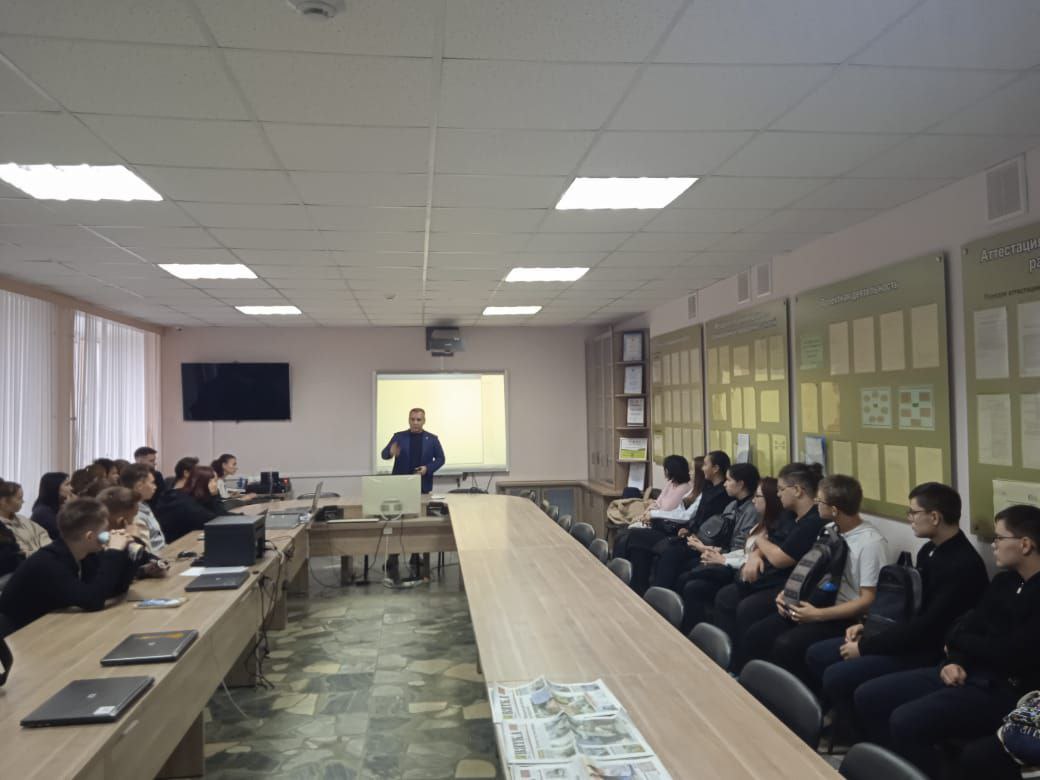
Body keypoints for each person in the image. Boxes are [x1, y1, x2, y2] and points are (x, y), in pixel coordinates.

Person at [853, 504, 1040, 779]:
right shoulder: (1004, 582)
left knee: (906, 720)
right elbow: (965, 625)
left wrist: (960, 642)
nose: (994, 545)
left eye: (999, 538)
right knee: (869, 695)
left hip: (1006, 689)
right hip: (966, 669)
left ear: (1024, 544)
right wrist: (955, 659)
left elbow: (1010, 653)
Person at [804, 482, 988, 740]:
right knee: (817, 653)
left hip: (929, 649)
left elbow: (928, 627)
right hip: (908, 635)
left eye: (913, 512)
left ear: (935, 517)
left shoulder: (962, 565)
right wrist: (869, 626)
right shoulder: (929, 549)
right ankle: (849, 725)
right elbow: (908, 609)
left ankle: (864, 739)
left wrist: (866, 646)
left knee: (838, 674)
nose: (909, 518)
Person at [739, 474, 888, 683]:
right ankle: (752, 687)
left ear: (834, 510)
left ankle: (789, 699)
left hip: (841, 615)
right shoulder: (829, 530)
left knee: (787, 645)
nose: (815, 505)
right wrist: (786, 594)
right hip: (815, 601)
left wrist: (818, 615)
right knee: (758, 633)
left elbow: (868, 600)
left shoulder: (870, 543)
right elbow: (809, 571)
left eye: (819, 501)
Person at [0, 498, 137, 633]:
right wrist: (114, 552)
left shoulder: (84, 554)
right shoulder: (48, 563)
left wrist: (125, 551)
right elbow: (93, 600)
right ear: (90, 537)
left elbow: (114, 588)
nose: (109, 535)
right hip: (23, 634)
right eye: (105, 531)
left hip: (52, 626)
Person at [680, 474, 782, 634]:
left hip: (743, 575)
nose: (753, 500)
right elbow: (744, 552)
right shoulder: (759, 522)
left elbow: (750, 558)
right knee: (689, 577)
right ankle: (692, 632)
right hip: (732, 563)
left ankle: (704, 638)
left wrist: (723, 559)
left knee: (696, 585)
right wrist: (715, 554)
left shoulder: (773, 528)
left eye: (758, 496)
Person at [620, 451, 731, 595]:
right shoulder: (707, 489)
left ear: (715, 468)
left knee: (665, 549)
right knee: (636, 539)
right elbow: (690, 514)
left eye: (705, 465)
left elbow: (692, 517)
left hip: (699, 539)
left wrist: (655, 514)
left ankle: (656, 595)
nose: (698, 470)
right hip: (688, 533)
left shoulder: (721, 494)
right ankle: (636, 587)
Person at [652, 460, 758, 592]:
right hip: (715, 550)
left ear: (741, 484)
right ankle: (657, 595)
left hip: (728, 558)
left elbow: (739, 547)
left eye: (729, 480)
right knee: (671, 554)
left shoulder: (751, 511)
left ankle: (662, 598)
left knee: (685, 576)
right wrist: (701, 542)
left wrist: (706, 549)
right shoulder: (732, 505)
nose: (725, 484)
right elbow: (719, 533)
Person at [614, 455, 699, 560]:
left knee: (629, 535)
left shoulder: (685, 488)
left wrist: (652, 514)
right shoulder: (671, 483)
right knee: (622, 535)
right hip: (655, 521)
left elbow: (667, 509)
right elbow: (658, 502)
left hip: (666, 528)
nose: (690, 472)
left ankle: (620, 565)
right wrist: (648, 512)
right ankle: (618, 566)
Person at [97, 487, 168, 579]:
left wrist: (145, 570)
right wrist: (133, 538)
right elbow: (111, 578)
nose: (136, 521)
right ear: (121, 521)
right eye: (134, 516)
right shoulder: (97, 548)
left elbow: (148, 559)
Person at [154, 465, 227, 543]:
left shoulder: (185, 495)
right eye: (214, 481)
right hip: (173, 546)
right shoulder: (185, 503)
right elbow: (217, 522)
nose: (216, 485)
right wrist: (215, 496)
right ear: (204, 483)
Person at [380, 408, 445, 495]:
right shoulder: (399, 437)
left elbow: (441, 459)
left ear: (424, 421)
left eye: (418, 420)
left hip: (423, 484)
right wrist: (390, 452)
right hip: (400, 484)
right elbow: (384, 455)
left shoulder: (432, 439)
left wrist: (427, 468)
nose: (415, 422)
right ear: (409, 420)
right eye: (412, 419)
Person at [118, 464, 166, 552]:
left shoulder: (144, 505)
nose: (155, 487)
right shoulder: (134, 514)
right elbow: (147, 551)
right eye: (152, 483)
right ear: (139, 486)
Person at [0, 481, 51, 558]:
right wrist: (44, 554)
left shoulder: (22, 519)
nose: (23, 501)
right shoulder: (3, 529)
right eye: (19, 498)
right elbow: (21, 552)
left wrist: (48, 551)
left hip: (43, 557)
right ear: (3, 501)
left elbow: (42, 533)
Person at [30, 472, 72, 540]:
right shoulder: (43, 513)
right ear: (54, 487)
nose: (71, 488)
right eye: (67, 485)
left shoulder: (57, 508)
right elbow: (68, 535)